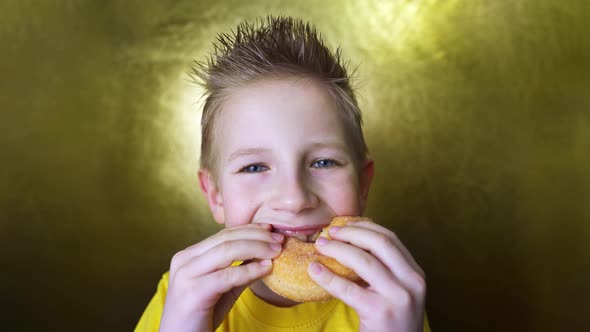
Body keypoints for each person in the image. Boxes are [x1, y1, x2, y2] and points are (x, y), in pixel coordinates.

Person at [135, 15, 430, 332]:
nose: (294, 199)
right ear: (216, 195)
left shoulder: (389, 300)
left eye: (323, 162)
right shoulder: (181, 299)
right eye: (254, 167)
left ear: (362, 183)